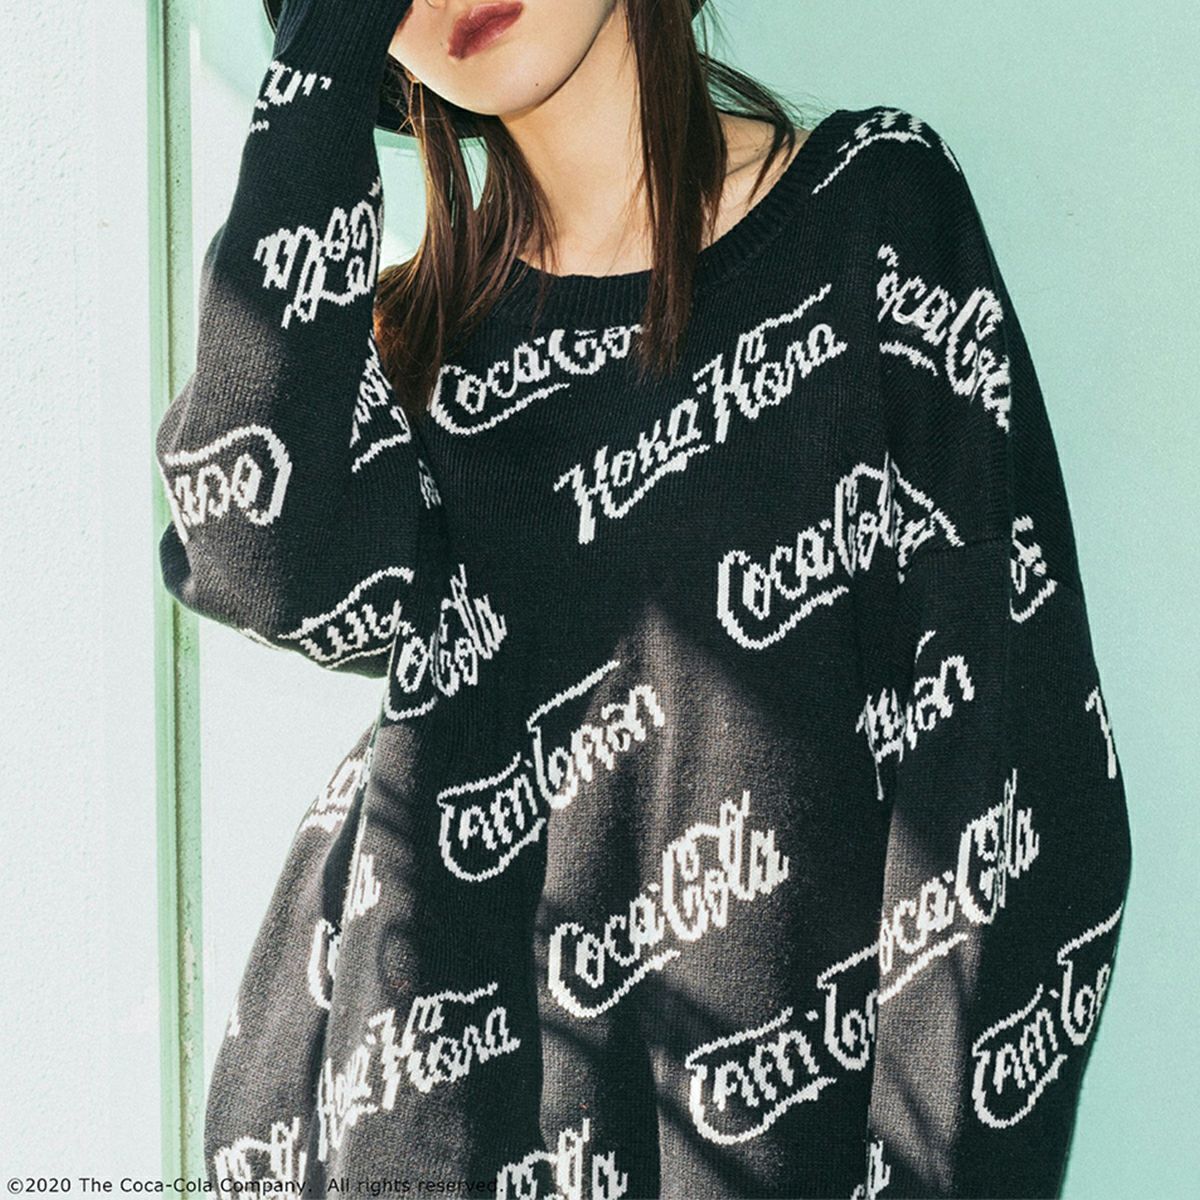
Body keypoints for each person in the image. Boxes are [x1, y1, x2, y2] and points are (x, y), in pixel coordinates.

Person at [153, 1, 1133, 1196]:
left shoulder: (874, 216)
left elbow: (1014, 790)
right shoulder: (404, 361)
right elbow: (258, 560)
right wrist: (320, 65)